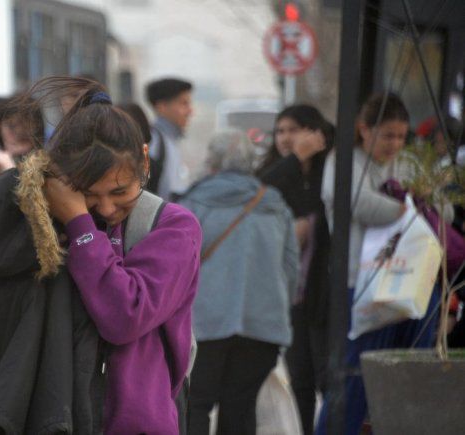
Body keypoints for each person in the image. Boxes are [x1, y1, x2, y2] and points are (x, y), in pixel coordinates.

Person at [0, 76, 201, 434]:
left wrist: (80, 223)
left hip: (135, 424)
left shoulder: (172, 227)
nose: (106, 208)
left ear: (144, 160)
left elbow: (125, 316)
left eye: (120, 192)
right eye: (89, 193)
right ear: (64, 179)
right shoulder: (39, 227)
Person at [316, 92, 441, 435]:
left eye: (400, 136)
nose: (395, 144)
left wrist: (419, 206)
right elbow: (360, 203)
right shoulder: (343, 161)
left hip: (411, 281)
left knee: (410, 370)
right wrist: (408, 208)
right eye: (387, 135)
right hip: (363, 282)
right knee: (356, 373)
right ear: (364, 130)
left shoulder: (408, 164)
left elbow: (440, 209)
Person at [180, 129, 299, 435]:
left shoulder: (193, 203)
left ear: (212, 162)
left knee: (196, 404)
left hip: (204, 326)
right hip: (263, 326)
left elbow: (178, 266)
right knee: (241, 408)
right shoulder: (275, 205)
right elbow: (290, 268)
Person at [256, 105, 333, 435]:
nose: (286, 138)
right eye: (280, 131)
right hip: (288, 292)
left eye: (294, 130)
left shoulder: (329, 171)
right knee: (299, 377)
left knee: (327, 376)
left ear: (314, 133)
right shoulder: (274, 173)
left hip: (323, 287)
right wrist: (294, 160)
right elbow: (256, 194)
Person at [146, 77, 194, 200]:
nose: (190, 111)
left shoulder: (170, 139)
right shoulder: (154, 141)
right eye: (184, 103)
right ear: (161, 106)